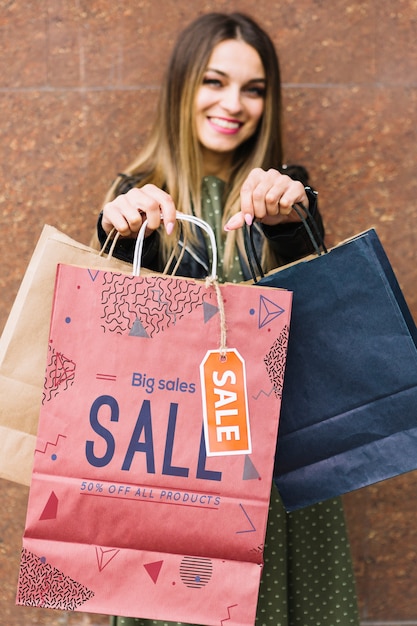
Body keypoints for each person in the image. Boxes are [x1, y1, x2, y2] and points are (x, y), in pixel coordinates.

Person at [96, 12, 360, 626]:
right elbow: (106, 341)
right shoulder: (137, 194)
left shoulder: (286, 194)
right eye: (215, 81)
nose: (234, 104)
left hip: (276, 480)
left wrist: (290, 228)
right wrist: (116, 232)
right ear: (182, 89)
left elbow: (321, 329)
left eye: (254, 88)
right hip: (166, 477)